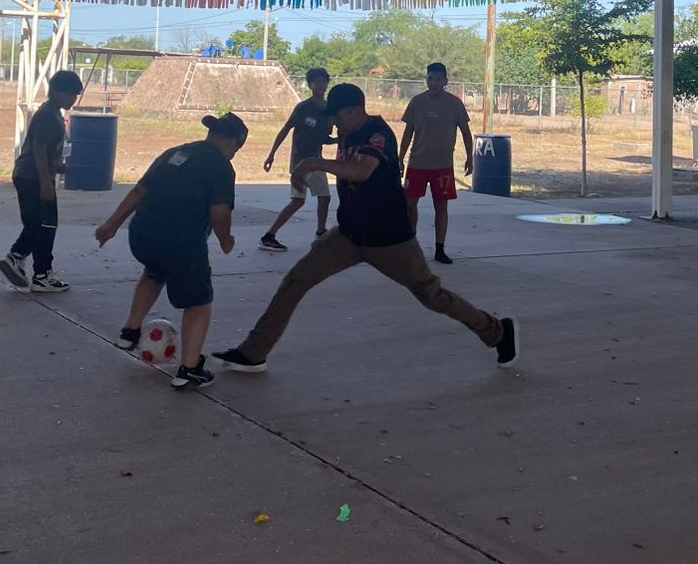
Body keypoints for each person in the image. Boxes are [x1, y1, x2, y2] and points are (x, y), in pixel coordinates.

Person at [212, 83, 518, 375]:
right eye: (331, 118)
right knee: (296, 280)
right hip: (348, 235)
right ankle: (253, 353)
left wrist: (316, 163)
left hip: (390, 240)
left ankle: (498, 332)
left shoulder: (378, 134)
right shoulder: (347, 133)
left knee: (432, 296)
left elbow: (361, 171)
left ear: (358, 110)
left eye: (339, 116)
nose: (334, 125)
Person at [94, 114, 246, 390]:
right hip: (181, 242)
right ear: (231, 141)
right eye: (236, 148)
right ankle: (189, 370)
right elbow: (220, 212)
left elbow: (140, 190)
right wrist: (226, 239)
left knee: (154, 271)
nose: (234, 154)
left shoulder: (174, 152)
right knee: (199, 302)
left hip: (142, 235)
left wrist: (112, 224)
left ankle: (130, 331)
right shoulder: (221, 167)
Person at [0, 69, 84, 293]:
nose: (72, 99)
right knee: (44, 224)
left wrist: (57, 166)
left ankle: (35, 269)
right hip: (33, 177)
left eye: (75, 95)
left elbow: (44, 151)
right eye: (68, 94)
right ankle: (28, 264)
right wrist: (46, 183)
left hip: (32, 174)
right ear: (54, 92)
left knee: (41, 224)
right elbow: (38, 149)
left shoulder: (54, 113)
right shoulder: (48, 115)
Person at [398, 62, 472, 264]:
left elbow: (466, 133)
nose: (433, 82)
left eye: (438, 79)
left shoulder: (455, 104)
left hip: (442, 165)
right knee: (410, 205)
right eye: (430, 78)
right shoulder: (416, 102)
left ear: (445, 81)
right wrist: (400, 158)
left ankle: (440, 248)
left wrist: (470, 157)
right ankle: (410, 245)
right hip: (417, 163)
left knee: (441, 207)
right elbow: (407, 133)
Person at [259, 67, 334, 251]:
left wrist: (341, 140)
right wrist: (272, 154)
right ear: (310, 85)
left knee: (299, 201)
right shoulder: (303, 107)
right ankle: (321, 233)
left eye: (323, 81)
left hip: (316, 159)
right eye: (316, 81)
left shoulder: (328, 111)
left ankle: (269, 235)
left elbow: (325, 138)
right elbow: (286, 128)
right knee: (323, 196)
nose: (320, 85)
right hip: (302, 161)